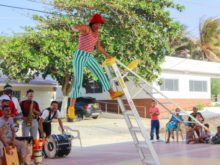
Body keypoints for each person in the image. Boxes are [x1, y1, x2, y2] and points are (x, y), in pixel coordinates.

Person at [68, 13, 124, 119]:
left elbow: (98, 46)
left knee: (100, 73)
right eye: (95, 24)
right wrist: (75, 28)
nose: (97, 26)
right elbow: (76, 27)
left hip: (88, 56)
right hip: (79, 55)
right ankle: (71, 108)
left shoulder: (97, 34)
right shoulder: (86, 29)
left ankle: (112, 93)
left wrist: (107, 55)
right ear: (92, 23)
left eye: (99, 24)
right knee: (78, 81)